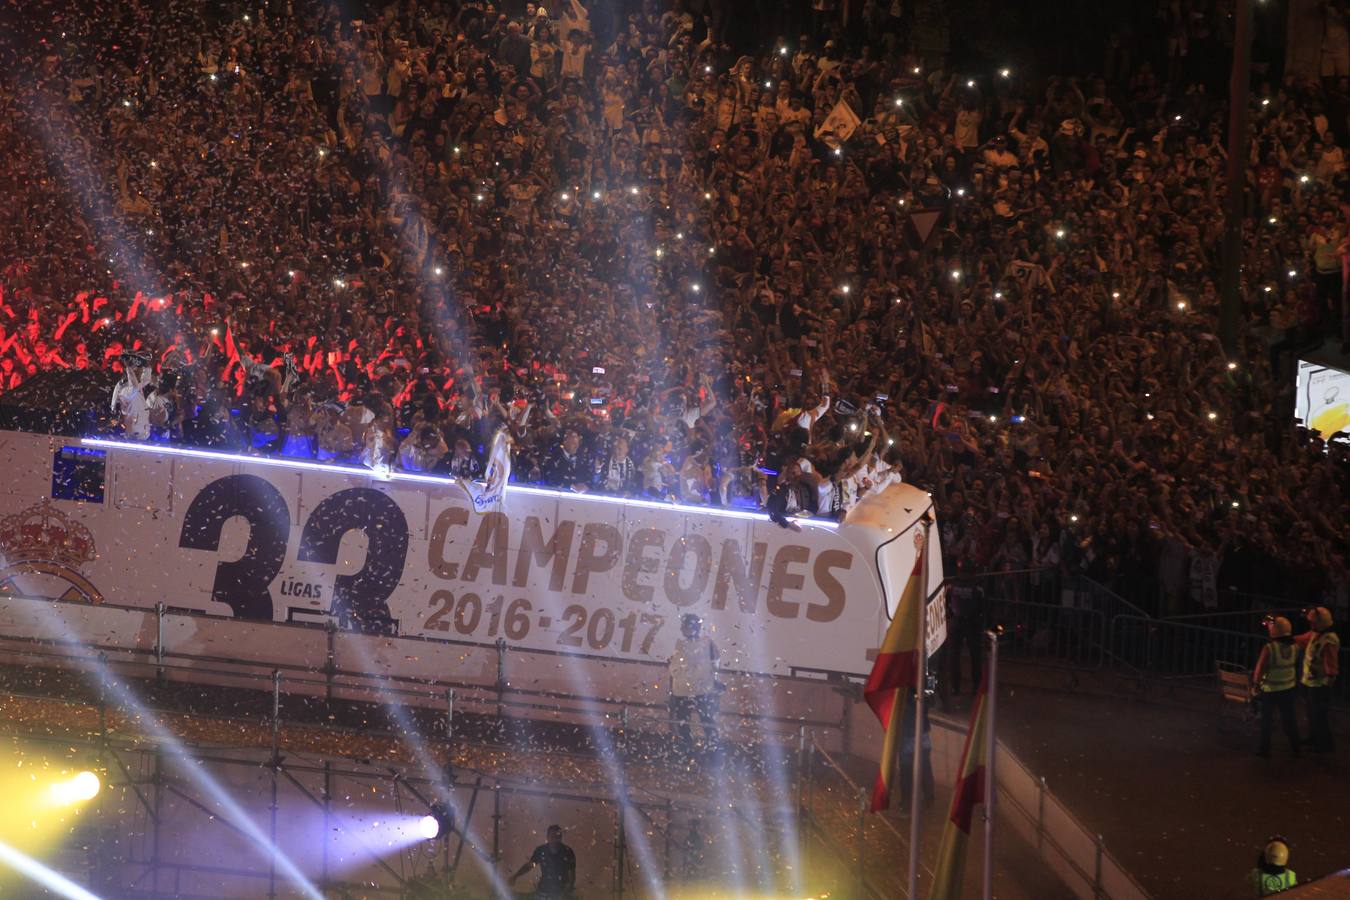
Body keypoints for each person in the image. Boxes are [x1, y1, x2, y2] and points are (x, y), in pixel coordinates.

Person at [667, 613, 720, 755]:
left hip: (697, 690)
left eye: (684, 625)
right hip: (690, 690)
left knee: (702, 719)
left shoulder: (706, 643)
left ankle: (700, 749)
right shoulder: (682, 644)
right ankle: (694, 749)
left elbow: (714, 664)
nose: (682, 629)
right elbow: (715, 665)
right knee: (689, 720)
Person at [1251, 616, 1301, 759]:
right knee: (1289, 720)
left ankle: (1264, 750)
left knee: (1266, 720)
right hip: (1289, 689)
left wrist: (1255, 685)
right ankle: (1296, 747)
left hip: (1270, 690)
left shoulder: (1270, 648)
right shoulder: (1295, 647)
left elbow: (1260, 669)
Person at [1295, 606, 1340, 753]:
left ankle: (1325, 745)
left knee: (1319, 715)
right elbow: (1302, 640)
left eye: (1314, 622)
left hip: (1320, 684)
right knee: (1312, 713)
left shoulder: (1329, 639)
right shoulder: (1315, 635)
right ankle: (1314, 738)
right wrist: (1286, 638)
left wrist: (1329, 679)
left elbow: (1331, 663)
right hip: (1310, 682)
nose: (1311, 625)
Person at [509, 824, 576, 899]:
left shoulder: (567, 852)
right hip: (544, 890)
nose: (555, 839)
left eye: (558, 837)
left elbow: (572, 875)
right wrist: (516, 876)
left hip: (561, 891)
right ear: (547, 837)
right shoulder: (541, 851)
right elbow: (530, 865)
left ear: (561, 837)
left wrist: (566, 892)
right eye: (553, 836)